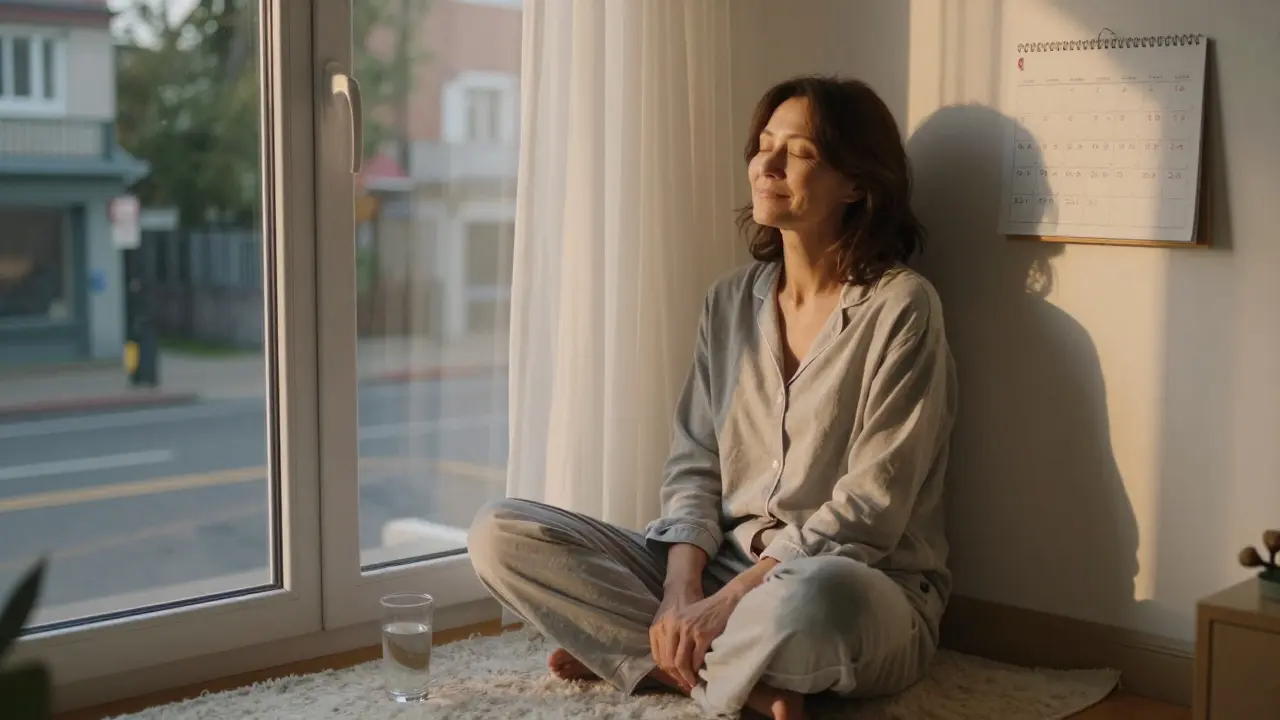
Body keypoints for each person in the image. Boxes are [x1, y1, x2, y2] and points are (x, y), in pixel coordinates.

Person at [469, 75, 957, 720]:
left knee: (816, 599)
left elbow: (870, 511)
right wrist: (681, 591)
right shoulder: (729, 301)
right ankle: (729, 679)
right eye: (764, 144)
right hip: (723, 564)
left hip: (853, 588)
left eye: (801, 153)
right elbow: (695, 461)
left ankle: (638, 655)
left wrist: (726, 605)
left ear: (859, 184)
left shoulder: (903, 308)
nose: (768, 165)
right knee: (500, 532)